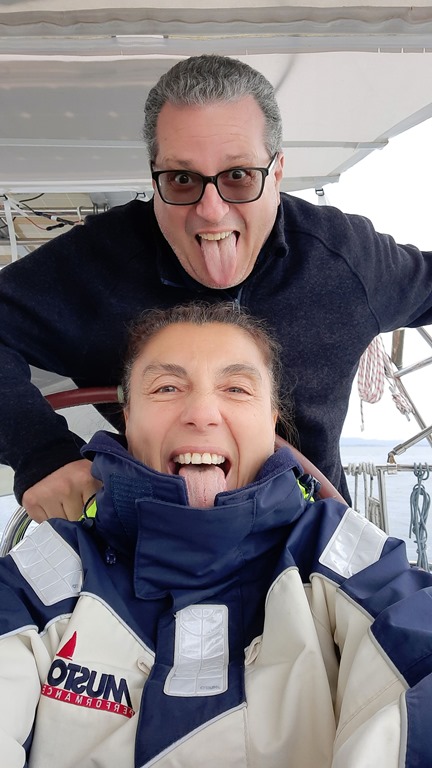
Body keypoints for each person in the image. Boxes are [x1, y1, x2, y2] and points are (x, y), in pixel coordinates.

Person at [1, 54, 432, 522]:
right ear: (154, 178)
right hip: (139, 537)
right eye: (182, 179)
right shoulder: (95, 267)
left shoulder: (345, 259)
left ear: (277, 172)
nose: (211, 210)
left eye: (239, 176)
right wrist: (41, 452)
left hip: (307, 535)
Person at [1, 301, 432, 768]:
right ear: (127, 416)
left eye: (236, 389)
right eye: (167, 387)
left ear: (271, 419)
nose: (202, 413)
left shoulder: (338, 556)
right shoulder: (51, 568)